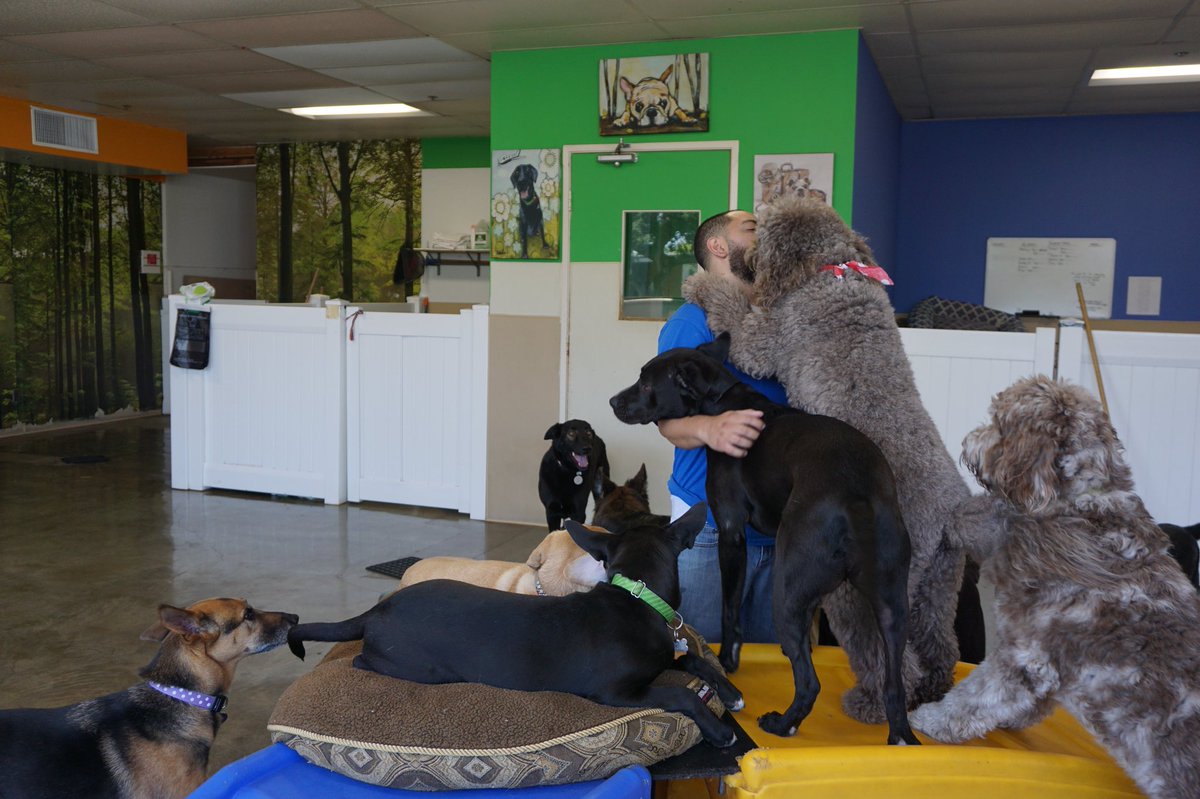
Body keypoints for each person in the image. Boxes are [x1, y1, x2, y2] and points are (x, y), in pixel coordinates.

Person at [656, 210, 788, 644]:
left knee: (775, 660)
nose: (762, 234)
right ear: (718, 246)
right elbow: (670, 422)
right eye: (750, 228)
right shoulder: (690, 323)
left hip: (779, 524)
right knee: (702, 655)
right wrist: (712, 430)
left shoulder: (779, 319)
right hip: (708, 524)